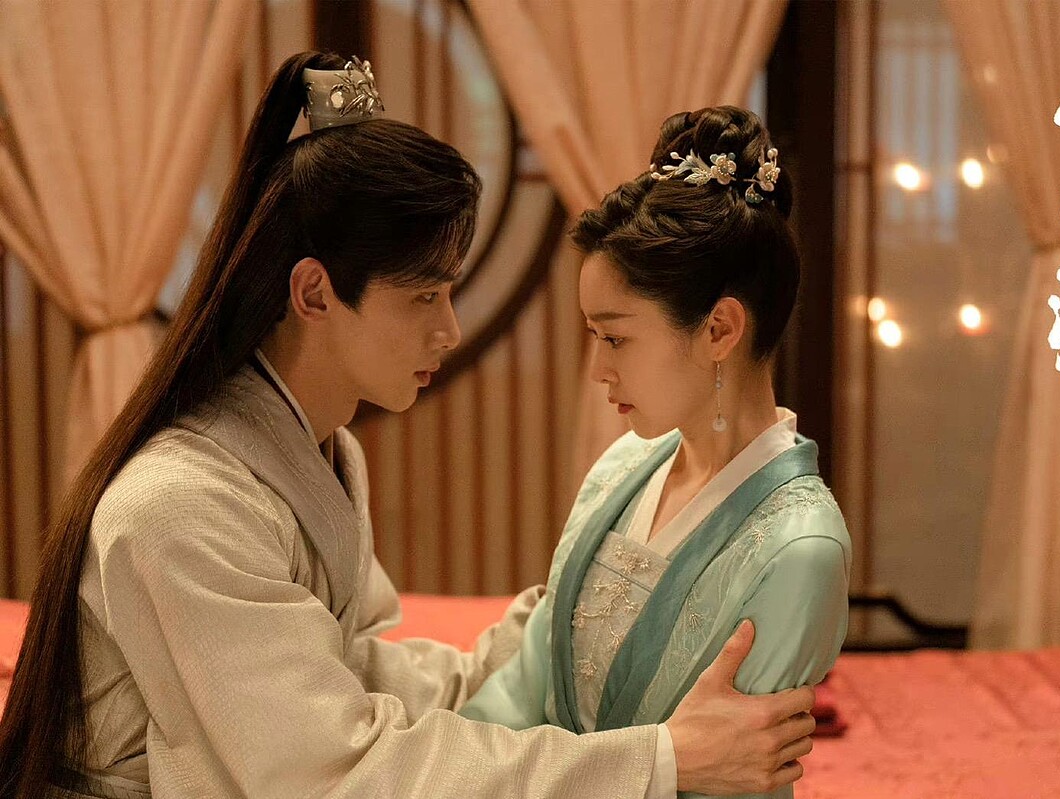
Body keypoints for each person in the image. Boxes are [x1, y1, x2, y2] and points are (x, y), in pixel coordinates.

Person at [0, 54, 819, 799]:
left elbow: (347, 672)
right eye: (425, 295)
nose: (450, 330)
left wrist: (566, 623)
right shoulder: (181, 505)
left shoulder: (321, 448)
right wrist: (659, 758)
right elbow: (335, 767)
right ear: (314, 293)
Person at [458, 106, 852, 799]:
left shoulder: (801, 550)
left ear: (719, 329)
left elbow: (732, 778)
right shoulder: (623, 466)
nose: (598, 370)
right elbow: (524, 687)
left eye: (615, 338)